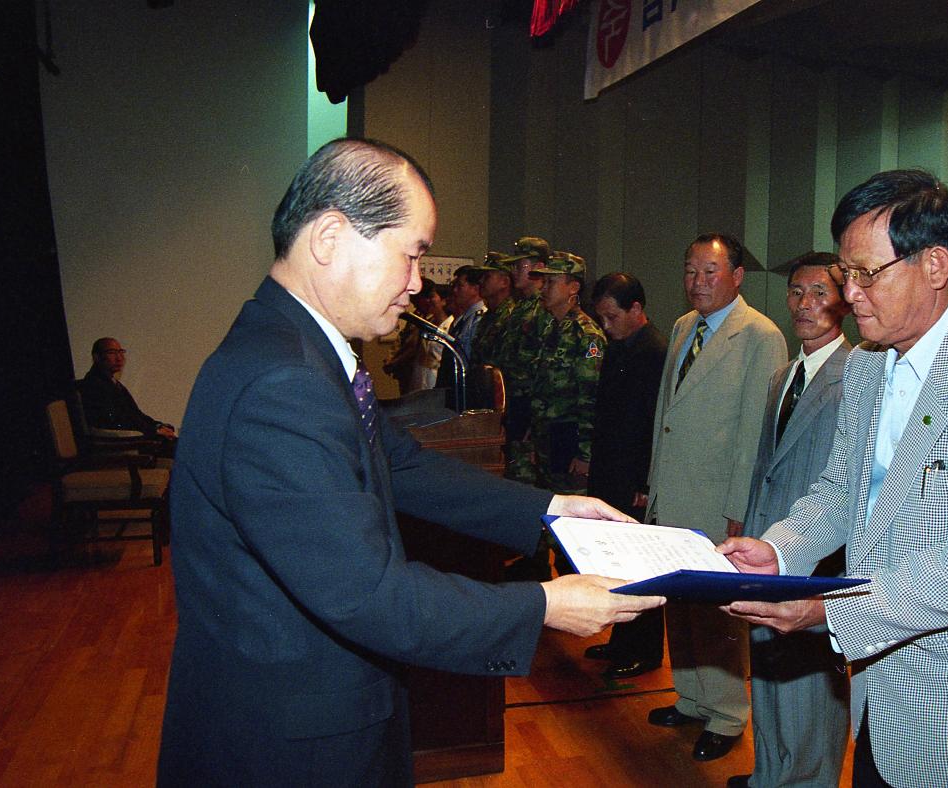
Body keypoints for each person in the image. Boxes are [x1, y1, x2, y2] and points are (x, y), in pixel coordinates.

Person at [156, 138, 662, 787]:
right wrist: (544, 606)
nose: (419, 282)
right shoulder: (281, 383)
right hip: (292, 748)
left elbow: (402, 464)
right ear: (332, 237)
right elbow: (369, 594)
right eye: (412, 252)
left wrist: (554, 508)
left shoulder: (297, 350)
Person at [719, 170, 948, 787]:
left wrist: (827, 613)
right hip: (881, 700)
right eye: (844, 273)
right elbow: (840, 489)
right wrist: (779, 548)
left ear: (936, 265)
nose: (846, 295)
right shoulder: (866, 365)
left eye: (865, 273)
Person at [645, 232, 787, 763]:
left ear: (736, 276)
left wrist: (738, 512)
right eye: (690, 271)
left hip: (717, 504)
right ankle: (691, 698)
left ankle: (728, 714)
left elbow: (756, 431)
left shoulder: (760, 335)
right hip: (671, 497)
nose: (698, 282)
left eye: (710, 271)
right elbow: (668, 417)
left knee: (717, 616)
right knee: (679, 608)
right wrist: (653, 489)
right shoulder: (683, 327)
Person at [729, 252, 852, 788]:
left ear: (845, 299)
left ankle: (806, 781)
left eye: (819, 293)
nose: (805, 305)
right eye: (796, 293)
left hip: (820, 556)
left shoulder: (859, 376)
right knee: (770, 677)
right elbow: (764, 468)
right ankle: (768, 776)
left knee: (809, 694)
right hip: (771, 549)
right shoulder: (783, 375)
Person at [583, 272, 668, 680]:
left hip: (632, 476)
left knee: (641, 567)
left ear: (636, 310)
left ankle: (645, 650)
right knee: (616, 563)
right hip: (610, 469)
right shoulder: (620, 346)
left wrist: (643, 483)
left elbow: (651, 424)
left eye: (611, 316)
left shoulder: (653, 351)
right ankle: (621, 641)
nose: (605, 326)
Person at [529, 251, 605, 493]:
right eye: (543, 281)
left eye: (551, 282)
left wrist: (585, 455)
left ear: (573, 287)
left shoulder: (587, 335)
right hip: (547, 439)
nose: (543, 288)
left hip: (569, 441)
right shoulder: (552, 327)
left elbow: (590, 399)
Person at [496, 236, 554, 483]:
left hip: (531, 413)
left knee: (526, 480)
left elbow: (542, 370)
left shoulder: (544, 310)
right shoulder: (521, 307)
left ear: (539, 267)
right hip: (515, 409)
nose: (514, 271)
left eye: (521, 265)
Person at [77, 337, 176, 439]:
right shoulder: (92, 386)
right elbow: (115, 421)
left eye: (121, 352)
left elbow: (135, 414)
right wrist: (154, 430)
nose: (119, 358)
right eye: (112, 352)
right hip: (117, 444)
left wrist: (158, 425)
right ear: (96, 357)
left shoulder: (115, 385)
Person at [433, 264, 488, 394]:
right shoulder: (463, 318)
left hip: (465, 390)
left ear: (475, 289)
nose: (455, 291)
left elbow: (469, 361)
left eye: (460, 286)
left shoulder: (479, 319)